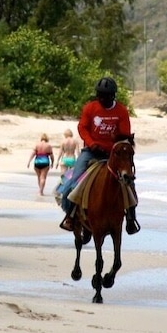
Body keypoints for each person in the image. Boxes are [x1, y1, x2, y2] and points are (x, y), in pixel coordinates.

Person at [56, 76, 140, 234]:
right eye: (100, 95)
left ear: (113, 96)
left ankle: (131, 218)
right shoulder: (90, 108)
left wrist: (115, 148)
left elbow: (124, 134)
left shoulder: (121, 111)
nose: (103, 99)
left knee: (129, 184)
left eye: (106, 96)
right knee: (73, 182)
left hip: (113, 154)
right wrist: (92, 143)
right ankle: (70, 217)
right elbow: (83, 128)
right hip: (90, 152)